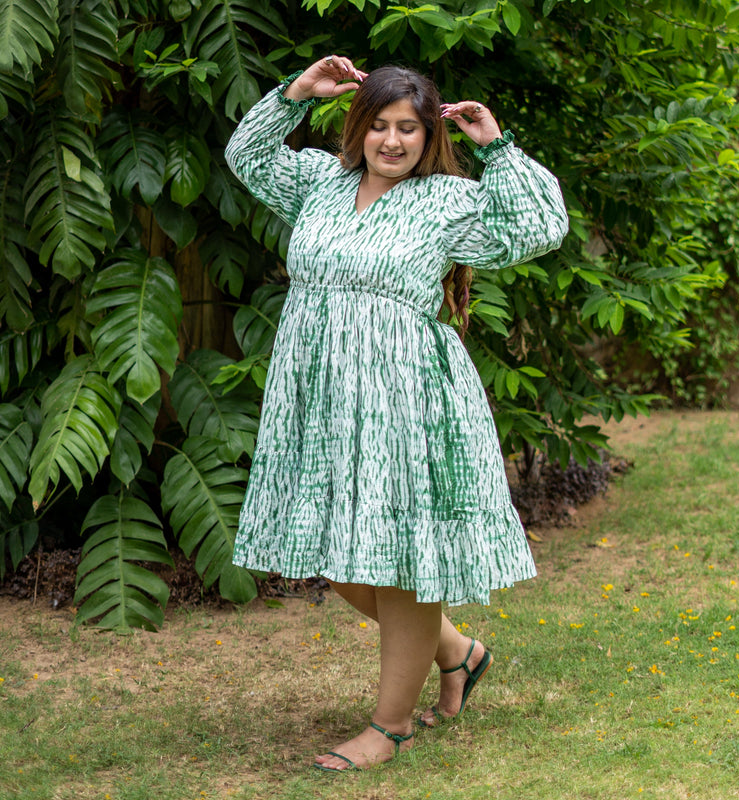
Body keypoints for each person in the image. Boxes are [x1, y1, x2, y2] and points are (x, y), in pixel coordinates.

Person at [225, 55, 569, 771]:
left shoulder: (446, 199)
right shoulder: (320, 183)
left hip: (405, 396)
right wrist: (296, 95)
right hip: (319, 394)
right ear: (358, 126)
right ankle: (456, 652)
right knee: (338, 552)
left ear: (426, 134)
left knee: (400, 560)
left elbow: (540, 224)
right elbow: (246, 155)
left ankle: (389, 727)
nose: (391, 141)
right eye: (379, 124)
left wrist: (495, 146)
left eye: (407, 127)